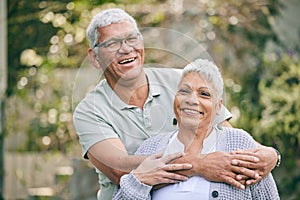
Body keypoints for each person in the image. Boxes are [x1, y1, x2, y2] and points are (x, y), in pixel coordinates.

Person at [73, 8, 280, 200]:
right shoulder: (89, 111)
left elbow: (227, 139)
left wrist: (271, 154)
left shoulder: (181, 82)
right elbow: (120, 170)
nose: (126, 49)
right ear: (95, 58)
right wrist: (198, 163)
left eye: (131, 38)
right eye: (112, 43)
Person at [113, 59, 280, 200]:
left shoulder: (239, 143)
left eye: (204, 94)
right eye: (184, 91)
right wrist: (139, 181)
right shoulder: (150, 147)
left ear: (218, 107)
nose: (192, 100)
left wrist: (274, 155)